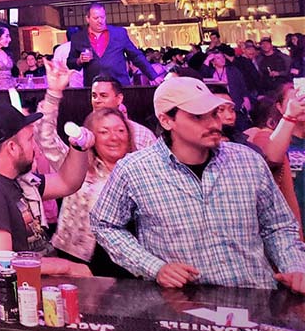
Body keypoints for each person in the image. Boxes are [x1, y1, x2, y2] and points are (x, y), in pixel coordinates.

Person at [91, 77, 305, 292]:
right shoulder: (134, 169)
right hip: (183, 303)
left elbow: (278, 225)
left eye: (214, 114)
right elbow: (105, 225)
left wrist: (295, 267)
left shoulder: (248, 161)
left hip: (255, 295)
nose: (213, 124)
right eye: (198, 116)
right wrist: (154, 267)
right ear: (167, 120)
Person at [0, 101, 93, 274]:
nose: (35, 147)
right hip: (17, 297)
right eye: (30, 140)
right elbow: (4, 263)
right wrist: (66, 267)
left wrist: (78, 147)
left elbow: (68, 183)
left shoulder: (16, 180)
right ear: (12, 148)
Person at [34, 61, 133, 276]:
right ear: (91, 136)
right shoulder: (78, 165)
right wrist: (53, 92)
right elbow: (46, 138)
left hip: (124, 262)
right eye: (104, 132)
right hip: (73, 254)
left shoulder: (139, 169)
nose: (114, 137)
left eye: (120, 131)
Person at [246, 82, 304, 229]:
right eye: (295, 99)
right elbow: (271, 159)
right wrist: (290, 116)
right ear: (279, 106)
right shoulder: (266, 135)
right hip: (290, 222)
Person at [67, 3, 159, 86]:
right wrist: (79, 60)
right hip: (94, 87)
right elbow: (70, 63)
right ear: (87, 19)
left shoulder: (119, 33)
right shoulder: (78, 38)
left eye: (102, 17)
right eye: (96, 18)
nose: (100, 21)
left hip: (119, 85)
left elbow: (136, 56)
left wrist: (152, 75)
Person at [84, 74, 156, 149]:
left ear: (119, 99)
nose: (97, 100)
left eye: (103, 96)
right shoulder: (85, 134)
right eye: (94, 96)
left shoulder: (141, 135)